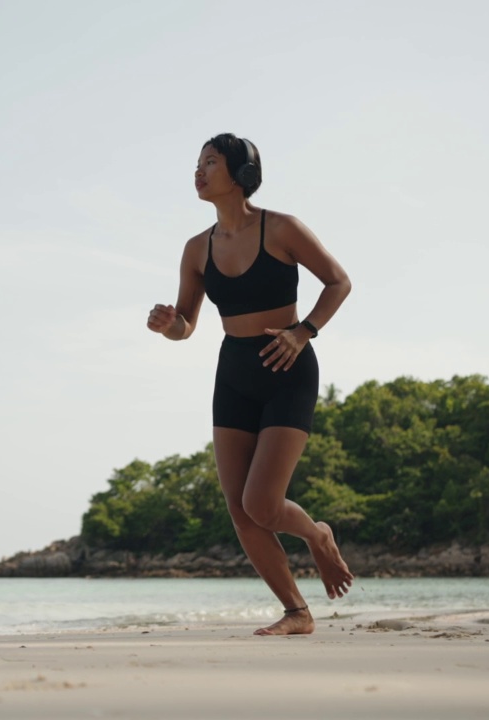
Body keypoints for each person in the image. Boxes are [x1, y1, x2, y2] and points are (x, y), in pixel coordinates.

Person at [146, 133, 354, 636]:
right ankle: (296, 612)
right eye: (197, 164)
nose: (198, 172)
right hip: (234, 371)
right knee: (240, 511)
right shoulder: (197, 249)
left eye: (210, 163)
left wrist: (304, 332)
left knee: (263, 503)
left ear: (240, 173)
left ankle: (317, 536)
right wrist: (168, 324)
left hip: (287, 366)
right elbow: (187, 325)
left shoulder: (281, 228)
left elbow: (338, 281)